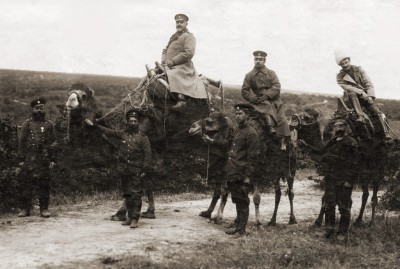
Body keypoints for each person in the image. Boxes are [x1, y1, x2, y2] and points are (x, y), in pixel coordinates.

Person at [85, 110, 151, 229]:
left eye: (135, 121)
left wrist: (144, 170)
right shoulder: (122, 134)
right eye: (130, 121)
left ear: (138, 123)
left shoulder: (143, 137)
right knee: (127, 193)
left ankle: (135, 219)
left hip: (137, 169)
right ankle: (129, 217)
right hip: (124, 169)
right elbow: (108, 131)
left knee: (136, 194)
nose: (132, 123)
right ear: (127, 122)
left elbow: (147, 155)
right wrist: (94, 125)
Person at [334, 50, 391, 140]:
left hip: (366, 97)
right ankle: (360, 116)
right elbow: (348, 88)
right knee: (352, 93)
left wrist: (370, 97)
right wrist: (362, 92)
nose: (345, 65)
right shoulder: (339, 77)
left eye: (346, 62)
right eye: (342, 64)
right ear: (340, 65)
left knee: (378, 113)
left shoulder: (359, 70)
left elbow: (368, 83)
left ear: (349, 60)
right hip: (352, 99)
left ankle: (386, 134)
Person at [320, 120, 360, 241]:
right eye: (336, 126)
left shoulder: (351, 143)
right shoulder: (332, 141)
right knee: (329, 205)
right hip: (331, 179)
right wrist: (306, 146)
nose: (338, 128)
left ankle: (342, 233)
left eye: (341, 126)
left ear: (346, 128)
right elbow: (321, 152)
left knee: (344, 208)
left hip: (344, 180)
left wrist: (349, 181)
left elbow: (356, 164)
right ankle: (329, 230)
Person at [224, 104, 260, 237]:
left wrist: (247, 177)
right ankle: (238, 224)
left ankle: (241, 230)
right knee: (237, 199)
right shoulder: (237, 130)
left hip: (242, 173)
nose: (237, 116)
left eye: (240, 114)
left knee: (243, 200)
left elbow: (253, 158)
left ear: (247, 116)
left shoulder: (251, 134)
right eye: (236, 114)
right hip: (233, 171)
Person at [18, 97, 57, 218]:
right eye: (37, 108)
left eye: (41, 108)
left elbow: (53, 143)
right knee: (26, 185)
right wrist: (21, 160)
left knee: (44, 185)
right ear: (33, 109)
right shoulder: (27, 124)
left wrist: (52, 159)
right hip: (30, 159)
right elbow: (22, 142)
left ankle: (44, 209)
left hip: (44, 160)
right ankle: (25, 209)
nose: (39, 111)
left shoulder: (49, 125)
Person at [161, 13, 207, 110]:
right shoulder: (173, 37)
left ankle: (181, 99)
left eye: (181, 22)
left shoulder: (189, 36)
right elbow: (165, 50)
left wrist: (173, 62)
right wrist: (163, 60)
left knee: (174, 74)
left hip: (182, 66)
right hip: (168, 65)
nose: (179, 24)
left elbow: (189, 53)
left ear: (186, 24)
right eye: (177, 22)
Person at [242, 50, 290, 138]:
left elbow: (276, 86)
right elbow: (245, 91)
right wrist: (253, 98)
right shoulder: (249, 75)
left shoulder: (271, 73)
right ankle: (270, 127)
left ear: (264, 61)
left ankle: (284, 141)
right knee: (265, 106)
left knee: (283, 122)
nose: (258, 61)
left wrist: (267, 95)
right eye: (256, 59)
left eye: (260, 59)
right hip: (258, 101)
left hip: (274, 100)